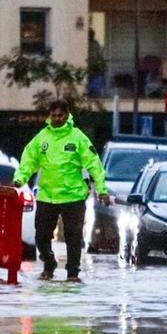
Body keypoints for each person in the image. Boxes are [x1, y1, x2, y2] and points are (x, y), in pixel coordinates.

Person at [14, 99, 109, 281]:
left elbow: (94, 164)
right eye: (54, 115)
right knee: (41, 236)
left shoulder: (78, 138)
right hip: (47, 196)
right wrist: (20, 179)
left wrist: (101, 189)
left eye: (60, 115)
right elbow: (29, 161)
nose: (57, 119)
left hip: (73, 196)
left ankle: (72, 273)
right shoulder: (42, 137)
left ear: (67, 115)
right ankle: (49, 263)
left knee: (73, 237)